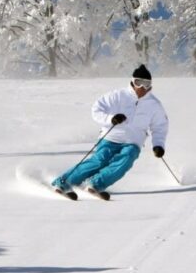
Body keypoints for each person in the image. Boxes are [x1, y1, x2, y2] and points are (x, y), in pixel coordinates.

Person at [52, 64, 169, 200]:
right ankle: (64, 183)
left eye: (146, 84)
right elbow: (96, 109)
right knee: (99, 160)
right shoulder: (117, 96)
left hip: (133, 141)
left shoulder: (154, 104)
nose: (142, 88)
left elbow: (160, 126)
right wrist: (111, 119)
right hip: (111, 137)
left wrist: (158, 145)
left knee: (126, 159)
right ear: (132, 82)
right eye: (139, 82)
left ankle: (95, 184)